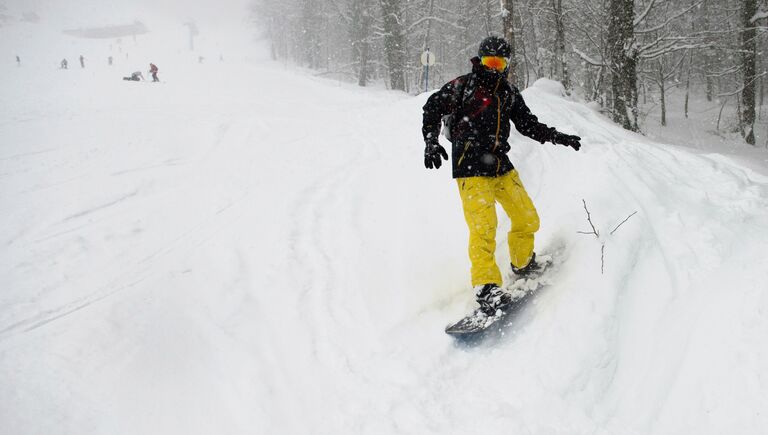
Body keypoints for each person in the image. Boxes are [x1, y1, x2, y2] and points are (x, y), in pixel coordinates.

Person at [421, 36, 582, 316]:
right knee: (483, 229)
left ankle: (523, 263)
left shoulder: (508, 92)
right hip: (469, 167)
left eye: (499, 62)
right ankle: (486, 289)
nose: (493, 68)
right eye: (488, 62)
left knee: (526, 216)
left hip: (499, 165)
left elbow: (527, 124)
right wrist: (430, 141)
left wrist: (556, 136)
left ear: (506, 64)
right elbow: (432, 108)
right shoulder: (463, 86)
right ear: (480, 61)